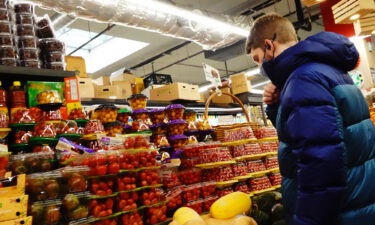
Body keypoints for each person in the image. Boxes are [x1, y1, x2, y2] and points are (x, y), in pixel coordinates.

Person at [246, 14, 375, 225]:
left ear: (269, 46)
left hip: (339, 214)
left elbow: (321, 167)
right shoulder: (329, 71)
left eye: (257, 59)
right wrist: (278, 105)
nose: (260, 68)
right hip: (357, 202)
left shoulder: (303, 81)